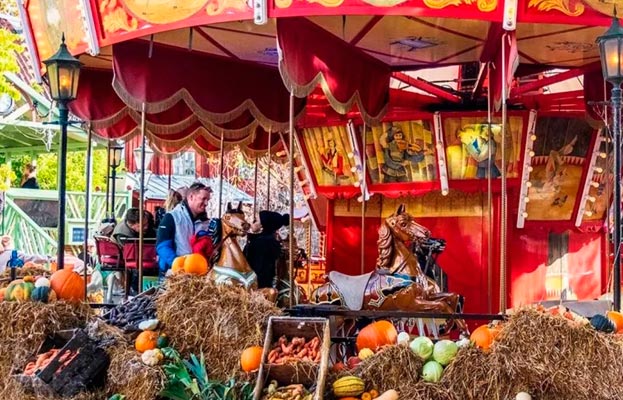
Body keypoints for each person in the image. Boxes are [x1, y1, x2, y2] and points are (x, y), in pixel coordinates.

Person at [156, 182, 213, 276]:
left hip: (198, 272)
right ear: (191, 197)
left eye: (208, 200)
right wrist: (178, 264)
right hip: (173, 273)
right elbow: (162, 246)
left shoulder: (205, 222)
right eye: (203, 199)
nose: (206, 203)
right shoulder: (172, 217)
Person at [243, 210, 289, 289]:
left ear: (263, 225)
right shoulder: (265, 240)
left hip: (258, 284)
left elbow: (255, 267)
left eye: (256, 220)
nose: (252, 223)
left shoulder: (261, 243)